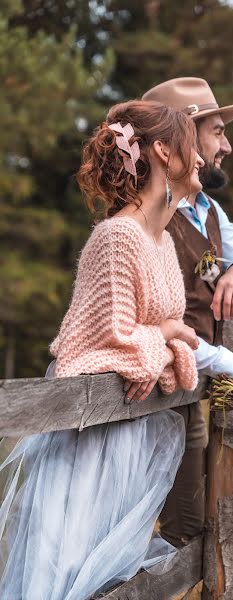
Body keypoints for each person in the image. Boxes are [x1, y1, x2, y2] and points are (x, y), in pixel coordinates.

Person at [0, 100, 204, 600]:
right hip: (92, 445)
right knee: (69, 566)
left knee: (113, 572)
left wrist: (171, 340)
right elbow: (96, 345)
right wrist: (169, 339)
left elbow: (161, 330)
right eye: (192, 146)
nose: (200, 159)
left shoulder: (160, 241)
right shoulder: (117, 237)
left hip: (130, 437)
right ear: (162, 151)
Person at [142, 77, 233, 547]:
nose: (228, 146)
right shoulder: (144, 213)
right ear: (184, 134)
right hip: (146, 396)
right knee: (170, 532)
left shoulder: (209, 210)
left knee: (187, 531)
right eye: (217, 131)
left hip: (185, 389)